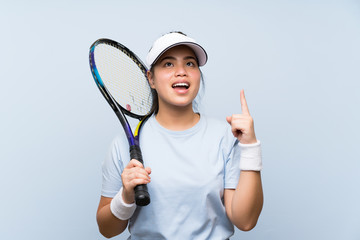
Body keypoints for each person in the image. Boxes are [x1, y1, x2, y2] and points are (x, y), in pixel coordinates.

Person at [96, 31, 263, 239]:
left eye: (190, 64)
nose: (181, 71)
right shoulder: (123, 145)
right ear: (151, 78)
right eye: (168, 64)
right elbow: (107, 230)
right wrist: (126, 197)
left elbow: (245, 221)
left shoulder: (226, 137)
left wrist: (250, 147)